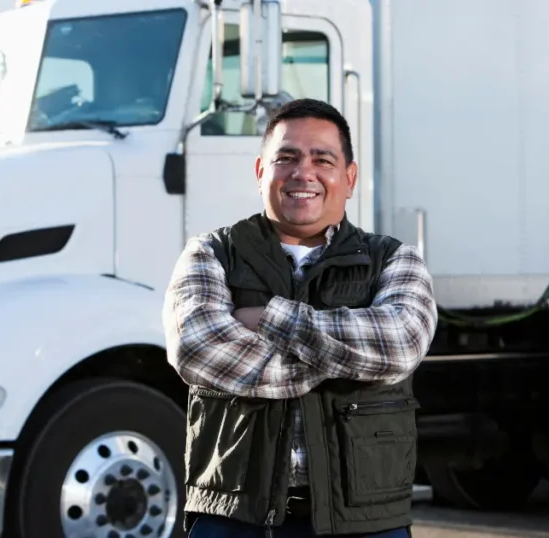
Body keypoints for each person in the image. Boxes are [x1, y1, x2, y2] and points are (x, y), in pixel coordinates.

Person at [162, 98, 438, 538]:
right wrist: (339, 359)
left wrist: (270, 318)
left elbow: (398, 345)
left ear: (349, 178)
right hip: (233, 518)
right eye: (285, 158)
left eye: (322, 159)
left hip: (363, 522)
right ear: (260, 173)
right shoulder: (209, 253)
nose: (302, 173)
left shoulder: (394, 260)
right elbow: (197, 348)